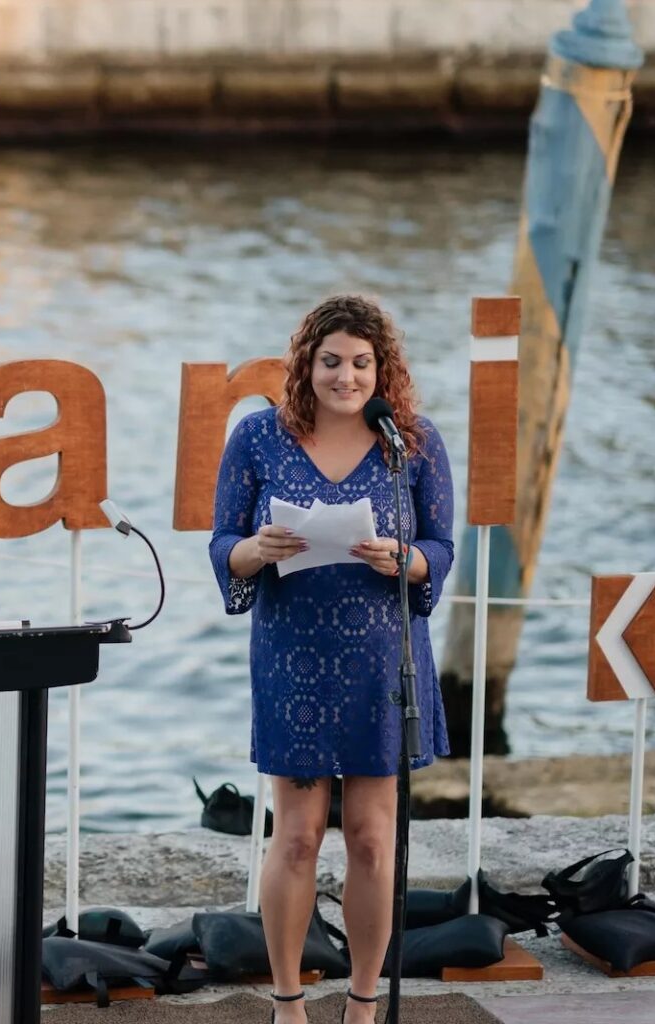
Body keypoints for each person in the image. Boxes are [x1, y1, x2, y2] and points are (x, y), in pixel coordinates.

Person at [208, 295, 454, 1024]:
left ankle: (365, 1001)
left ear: (382, 369)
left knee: (374, 841)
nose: (346, 377)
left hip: (385, 660)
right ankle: (288, 1004)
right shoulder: (258, 436)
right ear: (306, 365)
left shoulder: (411, 440)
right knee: (299, 836)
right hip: (294, 657)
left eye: (361, 363)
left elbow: (442, 548)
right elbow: (224, 543)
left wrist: (404, 560)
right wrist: (260, 549)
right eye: (331, 362)